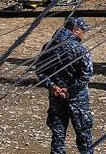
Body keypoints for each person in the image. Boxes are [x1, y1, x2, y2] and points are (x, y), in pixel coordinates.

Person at [34, 17, 96, 154]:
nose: (83, 34)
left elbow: (40, 70)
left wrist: (51, 86)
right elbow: (87, 74)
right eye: (82, 30)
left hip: (56, 97)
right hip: (77, 98)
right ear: (74, 31)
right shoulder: (80, 49)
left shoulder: (49, 46)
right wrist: (70, 90)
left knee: (58, 134)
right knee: (83, 135)